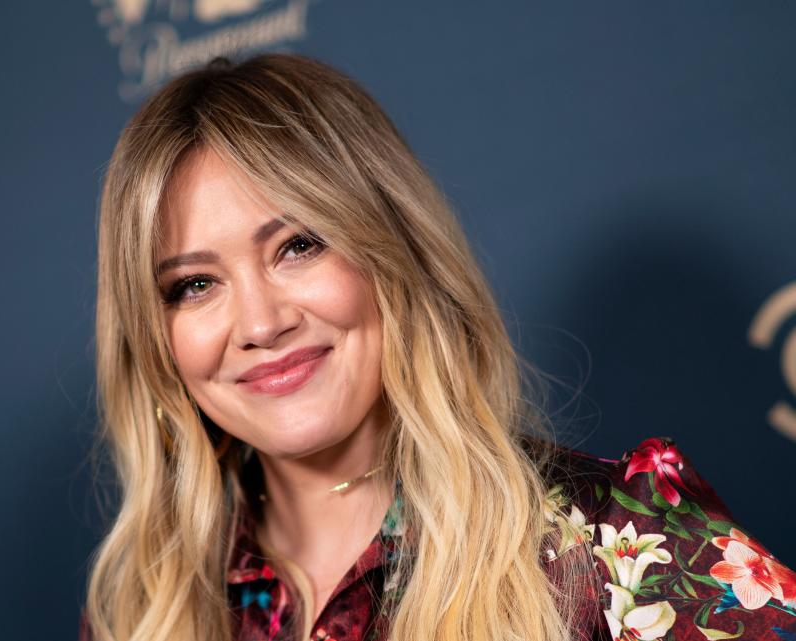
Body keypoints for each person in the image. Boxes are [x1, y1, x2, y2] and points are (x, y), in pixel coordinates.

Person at [80, 52, 796, 641]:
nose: (260, 322)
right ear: (152, 334)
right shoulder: (144, 609)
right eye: (194, 284)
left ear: (394, 250)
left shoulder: (618, 550)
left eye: (298, 245)